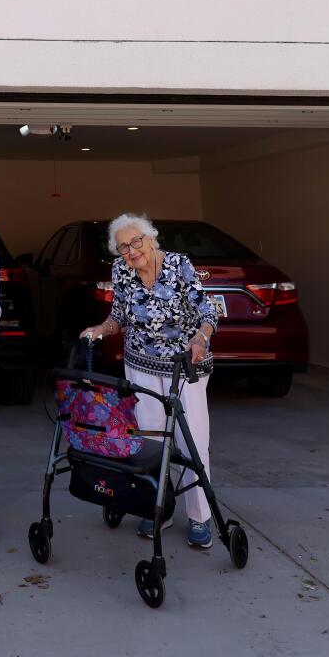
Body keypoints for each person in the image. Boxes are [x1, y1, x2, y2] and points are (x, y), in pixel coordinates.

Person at [79, 213, 221, 549]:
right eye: (123, 246)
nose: (131, 250)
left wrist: (200, 339)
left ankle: (200, 517)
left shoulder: (178, 265)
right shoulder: (122, 271)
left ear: (151, 238)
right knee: (149, 441)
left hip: (183, 365)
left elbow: (208, 311)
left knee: (192, 441)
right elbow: (119, 315)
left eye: (136, 241)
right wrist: (101, 329)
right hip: (140, 364)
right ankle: (159, 507)